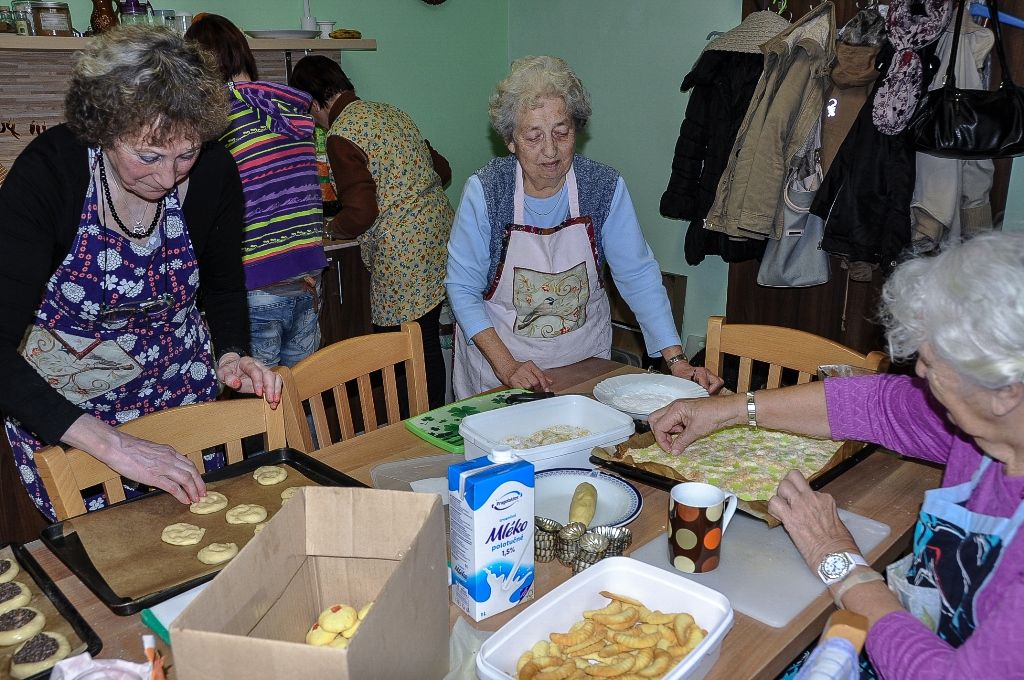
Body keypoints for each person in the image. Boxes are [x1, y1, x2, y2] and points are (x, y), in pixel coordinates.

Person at [649, 231, 1024, 677]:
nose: (920, 370)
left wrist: (838, 558)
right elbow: (874, 404)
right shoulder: (982, 429)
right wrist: (728, 408)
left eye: (936, 363)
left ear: (1004, 392)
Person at [0, 26, 281, 520]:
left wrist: (231, 352)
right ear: (104, 128)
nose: (168, 177)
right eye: (147, 156)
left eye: (185, 154)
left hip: (183, 400)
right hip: (75, 418)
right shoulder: (50, 174)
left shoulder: (214, 170)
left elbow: (222, 284)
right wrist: (110, 444)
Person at [445, 56, 723, 399]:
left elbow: (636, 275)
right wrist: (507, 366)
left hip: (583, 367)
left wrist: (677, 360)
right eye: (533, 137)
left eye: (562, 133)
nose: (550, 150)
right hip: (499, 371)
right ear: (510, 140)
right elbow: (462, 289)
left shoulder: (602, 187)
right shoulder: (487, 191)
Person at [288, 55, 453, 409]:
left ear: (315, 102)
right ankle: (434, 418)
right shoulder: (390, 112)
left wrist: (332, 228)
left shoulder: (341, 133)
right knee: (425, 339)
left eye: (311, 112)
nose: (316, 122)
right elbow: (441, 169)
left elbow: (362, 212)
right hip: (440, 233)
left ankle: (416, 426)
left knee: (403, 347)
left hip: (404, 248)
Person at [185, 15, 327, 369]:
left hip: (254, 283)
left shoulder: (221, 122)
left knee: (256, 409)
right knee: (300, 399)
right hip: (307, 279)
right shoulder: (286, 107)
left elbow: (204, 212)